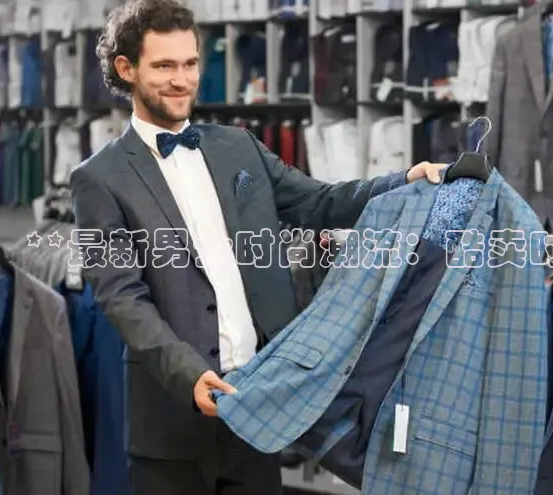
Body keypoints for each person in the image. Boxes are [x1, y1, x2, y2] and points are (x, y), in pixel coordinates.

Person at [69, 0, 447, 493]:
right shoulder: (98, 178)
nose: (182, 80)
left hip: (259, 410)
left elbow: (320, 202)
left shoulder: (238, 146)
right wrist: (188, 374)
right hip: (171, 425)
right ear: (126, 69)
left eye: (190, 63)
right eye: (164, 66)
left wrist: (405, 180)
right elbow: (122, 297)